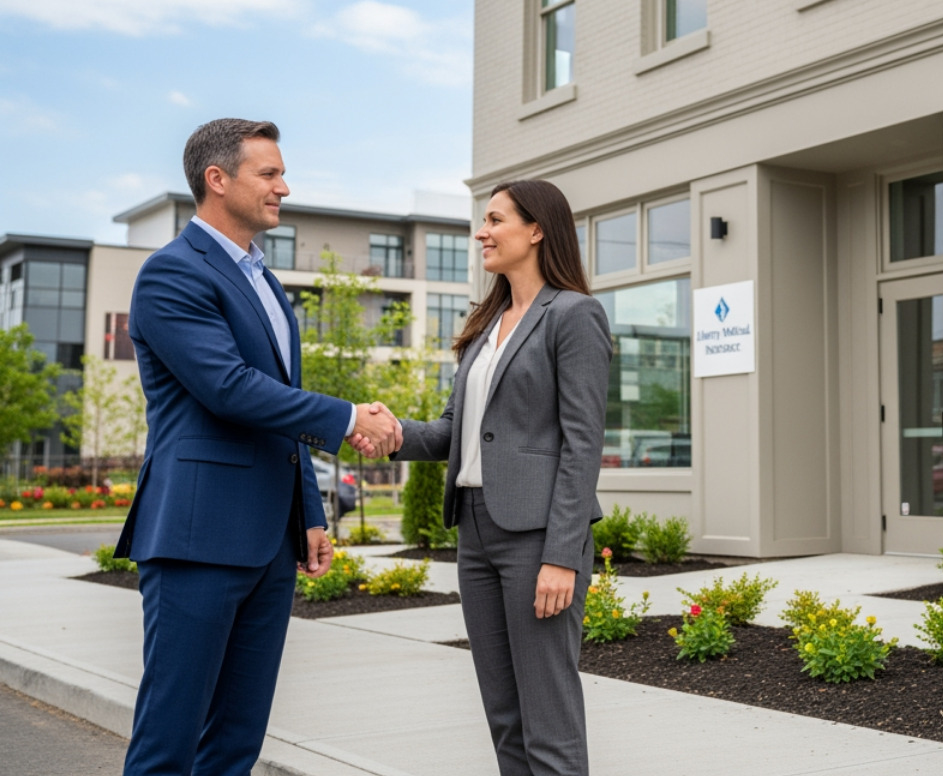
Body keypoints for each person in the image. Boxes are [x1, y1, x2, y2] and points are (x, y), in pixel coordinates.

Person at [116, 118, 402, 776]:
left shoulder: (266, 283)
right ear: (217, 180)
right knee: (170, 738)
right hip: (197, 537)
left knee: (237, 741)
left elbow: (277, 408)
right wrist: (350, 414)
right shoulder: (170, 274)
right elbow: (230, 390)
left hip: (270, 541)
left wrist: (308, 511)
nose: (284, 187)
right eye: (268, 174)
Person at [390, 178, 611, 776]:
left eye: (495, 220)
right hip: (476, 532)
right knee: (505, 715)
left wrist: (562, 554)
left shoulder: (573, 314)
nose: (482, 233)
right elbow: (451, 432)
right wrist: (384, 431)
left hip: (538, 536)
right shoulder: (487, 323)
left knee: (549, 715)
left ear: (536, 229)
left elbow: (582, 444)